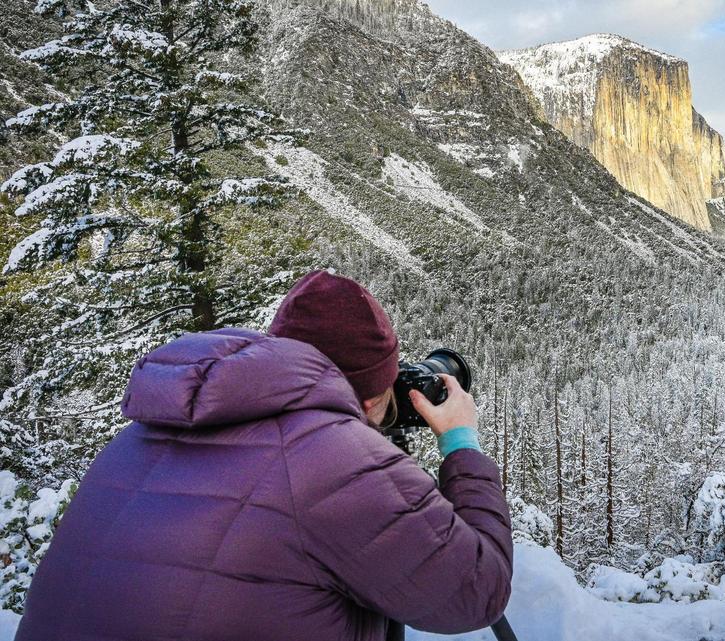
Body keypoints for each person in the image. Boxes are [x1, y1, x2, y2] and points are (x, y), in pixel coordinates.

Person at [15, 271, 513, 641]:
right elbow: (476, 592)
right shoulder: (339, 463)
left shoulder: (137, 436)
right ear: (367, 397)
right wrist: (460, 443)